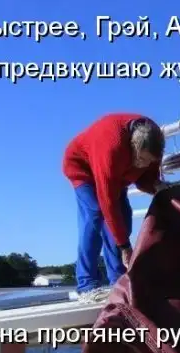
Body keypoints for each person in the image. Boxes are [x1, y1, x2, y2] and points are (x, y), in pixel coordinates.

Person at [63, 113, 168, 301]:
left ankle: (117, 280)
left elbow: (144, 179)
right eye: (141, 159)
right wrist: (125, 246)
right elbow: (108, 202)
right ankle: (86, 285)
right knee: (95, 214)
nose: (144, 165)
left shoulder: (154, 147)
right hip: (83, 168)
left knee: (124, 219)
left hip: (118, 177)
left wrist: (158, 187)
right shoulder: (112, 146)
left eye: (149, 161)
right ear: (133, 146)